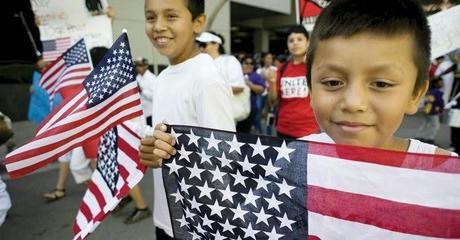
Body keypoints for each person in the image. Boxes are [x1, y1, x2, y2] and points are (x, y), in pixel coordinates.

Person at [302, 0, 455, 156]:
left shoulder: (443, 173)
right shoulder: (290, 163)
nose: (353, 103)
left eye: (381, 84)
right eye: (333, 82)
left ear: (414, 95)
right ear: (311, 91)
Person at [139, 0, 234, 239]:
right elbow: (165, 133)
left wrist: (168, 152)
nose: (158, 26)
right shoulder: (162, 77)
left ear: (198, 23)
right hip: (166, 215)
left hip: (198, 223)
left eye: (170, 16)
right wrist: (150, 145)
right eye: (151, 18)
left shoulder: (207, 78)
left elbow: (224, 160)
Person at [267, 25, 320, 139]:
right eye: (291, 40)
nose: (295, 43)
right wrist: (271, 83)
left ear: (308, 42)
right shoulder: (282, 69)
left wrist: (311, 63)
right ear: (287, 44)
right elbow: (273, 100)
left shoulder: (316, 67)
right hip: (283, 129)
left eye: (300, 39)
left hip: (308, 130)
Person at [196, 31, 249, 124]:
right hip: (202, 114)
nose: (201, 48)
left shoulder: (229, 61)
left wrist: (210, 90)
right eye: (199, 45)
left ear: (216, 45)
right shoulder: (199, 63)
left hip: (224, 115)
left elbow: (239, 87)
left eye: (204, 45)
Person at [237, 56, 265, 133]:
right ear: (242, 64)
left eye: (251, 63)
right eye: (246, 63)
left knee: (244, 134)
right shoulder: (236, 74)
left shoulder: (255, 76)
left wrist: (250, 84)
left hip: (249, 110)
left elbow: (261, 90)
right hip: (235, 109)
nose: (249, 65)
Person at [416, 79, 444, 144]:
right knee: (435, 125)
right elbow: (439, 102)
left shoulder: (430, 91)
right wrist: (441, 108)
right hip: (433, 111)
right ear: (437, 83)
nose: (442, 83)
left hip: (427, 109)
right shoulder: (438, 92)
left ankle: (419, 136)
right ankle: (429, 138)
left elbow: (427, 101)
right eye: (441, 82)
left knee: (426, 124)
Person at [134, 57, 156, 126]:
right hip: (142, 113)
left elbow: (155, 96)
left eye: (140, 66)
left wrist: (142, 91)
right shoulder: (137, 78)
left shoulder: (152, 78)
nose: (138, 68)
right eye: (137, 66)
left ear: (146, 66)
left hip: (151, 112)